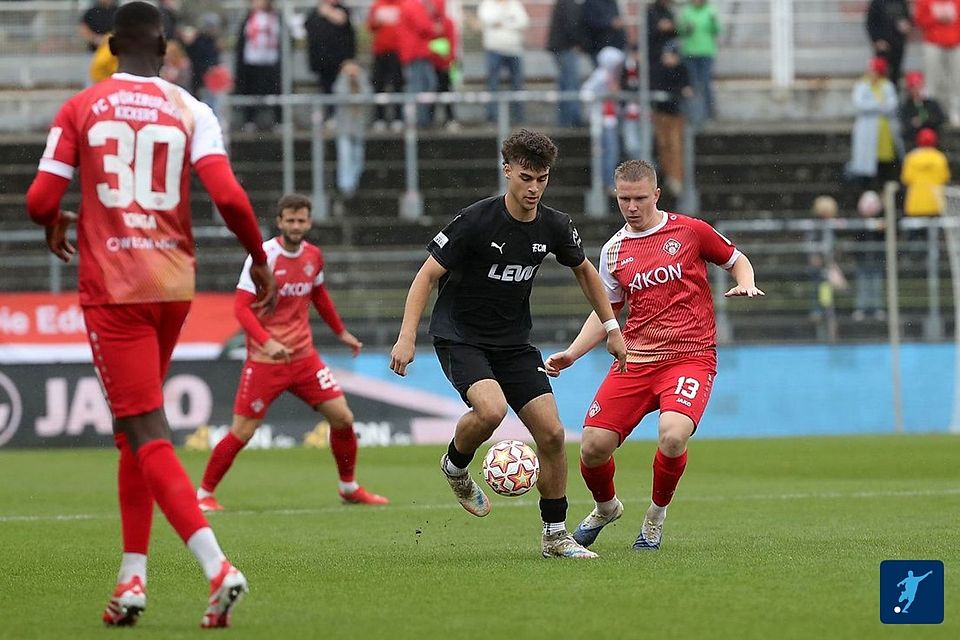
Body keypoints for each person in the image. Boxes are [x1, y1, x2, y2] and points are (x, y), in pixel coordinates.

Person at [24, 2, 276, 628]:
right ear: (165, 50)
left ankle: (218, 567)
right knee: (129, 433)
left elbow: (39, 200)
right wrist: (258, 258)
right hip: (171, 285)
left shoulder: (81, 108)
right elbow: (227, 195)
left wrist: (55, 219)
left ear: (110, 46)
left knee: (145, 431)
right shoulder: (192, 109)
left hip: (114, 290)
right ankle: (131, 578)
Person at [389, 129, 628, 559]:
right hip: (460, 336)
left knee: (553, 434)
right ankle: (455, 465)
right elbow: (426, 275)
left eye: (542, 179)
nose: (534, 188)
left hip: (514, 343)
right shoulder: (476, 221)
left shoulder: (554, 225)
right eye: (525, 177)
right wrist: (406, 337)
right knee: (492, 410)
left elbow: (586, 272)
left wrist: (612, 327)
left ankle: (555, 537)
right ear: (507, 173)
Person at [543, 159, 764, 551]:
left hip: (690, 357)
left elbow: (736, 260)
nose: (632, 206)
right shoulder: (614, 250)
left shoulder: (690, 231)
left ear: (656, 195)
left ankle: (654, 518)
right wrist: (573, 354)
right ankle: (606, 507)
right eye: (624, 199)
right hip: (636, 359)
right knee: (592, 447)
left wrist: (745, 283)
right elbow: (606, 312)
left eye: (640, 198)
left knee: (673, 436)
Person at [198, 193, 388, 511]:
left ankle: (348, 487)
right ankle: (203, 495)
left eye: (302, 220)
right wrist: (266, 341)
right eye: (291, 220)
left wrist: (341, 332)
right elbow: (241, 309)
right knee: (243, 431)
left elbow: (319, 295)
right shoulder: (262, 258)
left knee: (343, 418)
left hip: (304, 358)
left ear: (309, 222)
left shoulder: (314, 256)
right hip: (264, 361)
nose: (296, 225)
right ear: (280, 222)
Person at [847, 56, 904, 194]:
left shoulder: (887, 86)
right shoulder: (862, 85)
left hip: (884, 132)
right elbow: (859, 105)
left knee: (885, 164)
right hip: (867, 131)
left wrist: (873, 106)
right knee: (865, 168)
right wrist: (879, 106)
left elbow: (891, 105)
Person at [304, 0, 357, 124]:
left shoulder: (344, 10)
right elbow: (308, 27)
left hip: (342, 63)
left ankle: (341, 117)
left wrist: (330, 14)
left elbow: (347, 27)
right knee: (326, 89)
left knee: (342, 90)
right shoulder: (315, 12)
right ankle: (330, 116)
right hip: (323, 62)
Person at [546, 0, 585, 128]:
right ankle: (574, 119)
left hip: (559, 46)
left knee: (565, 82)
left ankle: (564, 120)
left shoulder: (563, 2)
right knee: (571, 82)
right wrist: (578, 42)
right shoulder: (569, 3)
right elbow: (571, 25)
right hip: (566, 47)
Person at [866, 0, 911, 87]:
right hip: (883, 45)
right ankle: (879, 96)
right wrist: (877, 40)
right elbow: (870, 23)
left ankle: (893, 96)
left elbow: (908, 19)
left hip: (898, 44)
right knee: (880, 73)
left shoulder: (901, 2)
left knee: (896, 74)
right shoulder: (877, 2)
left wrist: (906, 26)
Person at [899, 70, 945, 150]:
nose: (916, 90)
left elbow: (940, 118)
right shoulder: (906, 106)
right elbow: (904, 124)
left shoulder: (931, 103)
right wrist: (913, 122)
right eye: (913, 87)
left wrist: (925, 120)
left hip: (933, 144)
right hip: (914, 144)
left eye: (918, 86)